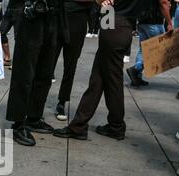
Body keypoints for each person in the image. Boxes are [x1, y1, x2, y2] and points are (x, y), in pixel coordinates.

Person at [54, 0, 142, 142]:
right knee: (98, 80)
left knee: (111, 81)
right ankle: (83, 125)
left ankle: (112, 126)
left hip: (113, 22)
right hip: (120, 24)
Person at [5, 0, 68, 146]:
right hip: (30, 15)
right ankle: (18, 123)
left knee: (45, 72)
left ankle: (34, 117)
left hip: (52, 14)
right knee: (24, 73)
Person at [53, 0, 93, 121]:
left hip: (78, 18)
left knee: (70, 66)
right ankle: (37, 102)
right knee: (47, 63)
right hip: (57, 16)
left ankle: (62, 101)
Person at [126, 0, 173, 87]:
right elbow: (163, 2)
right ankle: (136, 69)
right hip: (154, 22)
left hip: (142, 21)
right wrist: (169, 22)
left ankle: (136, 77)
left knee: (143, 50)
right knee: (160, 51)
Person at [0, 0, 24, 68]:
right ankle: (7, 58)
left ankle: (18, 62)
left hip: (20, 10)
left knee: (18, 38)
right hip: (9, 9)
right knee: (0, 34)